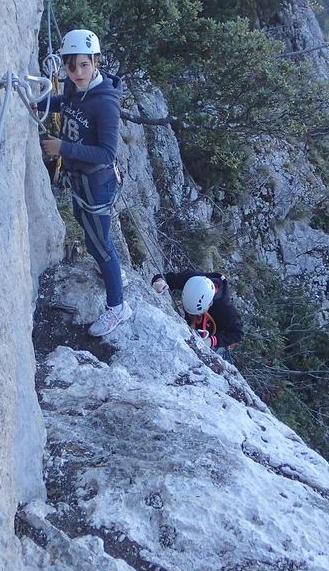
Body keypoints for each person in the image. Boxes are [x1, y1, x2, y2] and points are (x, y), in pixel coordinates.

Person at [40, 29, 132, 337]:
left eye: (84, 65)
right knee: (87, 227)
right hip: (80, 180)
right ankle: (110, 272)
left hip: (98, 181)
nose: (77, 73)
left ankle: (118, 307)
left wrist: (62, 148)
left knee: (100, 243)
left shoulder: (105, 104)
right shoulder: (72, 85)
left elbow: (107, 152)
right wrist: (40, 105)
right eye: (71, 66)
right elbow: (64, 104)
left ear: (96, 62)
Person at [151, 271, 243, 359]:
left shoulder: (226, 310)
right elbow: (166, 278)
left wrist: (212, 341)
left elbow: (238, 334)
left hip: (211, 337)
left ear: (209, 304)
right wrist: (160, 281)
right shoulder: (192, 280)